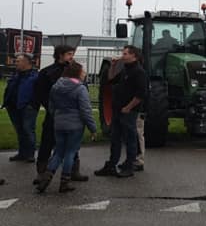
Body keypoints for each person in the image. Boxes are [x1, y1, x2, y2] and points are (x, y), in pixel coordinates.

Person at [36, 63, 96, 194]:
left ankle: (45, 179)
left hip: (59, 122)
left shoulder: (56, 86)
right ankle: (64, 182)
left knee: (58, 152)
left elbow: (51, 105)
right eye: (83, 71)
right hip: (75, 124)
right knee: (70, 152)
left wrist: (56, 116)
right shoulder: (80, 89)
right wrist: (92, 128)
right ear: (77, 73)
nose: (84, 73)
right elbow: (85, 110)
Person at [34, 45, 88, 182]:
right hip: (53, 114)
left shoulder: (75, 70)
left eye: (72, 54)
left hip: (71, 115)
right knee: (47, 142)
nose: (72, 57)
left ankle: (73, 171)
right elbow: (41, 93)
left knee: (73, 145)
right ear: (60, 55)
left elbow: (83, 89)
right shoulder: (47, 72)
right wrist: (52, 108)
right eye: (69, 54)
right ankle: (42, 173)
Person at [94, 45, 146, 178]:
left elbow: (140, 94)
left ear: (133, 56)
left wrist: (128, 107)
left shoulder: (139, 72)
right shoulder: (125, 70)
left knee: (130, 139)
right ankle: (112, 164)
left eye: (125, 54)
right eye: (123, 53)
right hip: (117, 109)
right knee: (115, 138)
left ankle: (129, 166)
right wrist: (112, 66)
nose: (122, 56)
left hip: (128, 111)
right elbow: (111, 79)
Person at [3, 54, 39, 163]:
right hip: (13, 107)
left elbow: (39, 93)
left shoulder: (35, 76)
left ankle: (30, 154)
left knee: (28, 129)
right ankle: (22, 153)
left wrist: (32, 104)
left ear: (26, 62)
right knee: (20, 130)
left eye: (18, 61)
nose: (16, 63)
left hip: (27, 108)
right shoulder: (16, 75)